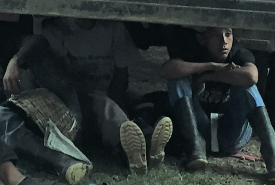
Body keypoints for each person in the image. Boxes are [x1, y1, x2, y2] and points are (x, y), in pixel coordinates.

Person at [0, 13, 92, 185]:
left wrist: (16, 60)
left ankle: (76, 124)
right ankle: (64, 163)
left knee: (38, 57)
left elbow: (38, 41)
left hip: (34, 104)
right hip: (4, 124)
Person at [24, 18, 171, 175]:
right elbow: (64, 80)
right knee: (107, 111)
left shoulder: (114, 28)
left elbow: (121, 73)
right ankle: (129, 151)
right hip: (79, 97)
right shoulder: (58, 31)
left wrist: (118, 100)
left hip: (106, 90)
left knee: (137, 104)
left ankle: (149, 141)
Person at [162, 26, 275, 183]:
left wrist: (209, 77)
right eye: (216, 36)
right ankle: (194, 146)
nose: (224, 42)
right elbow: (167, 69)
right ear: (202, 39)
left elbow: (251, 76)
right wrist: (211, 66)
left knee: (248, 86)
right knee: (178, 80)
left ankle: (273, 153)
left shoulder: (238, 53)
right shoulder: (193, 53)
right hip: (201, 129)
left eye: (228, 35)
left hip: (232, 133)